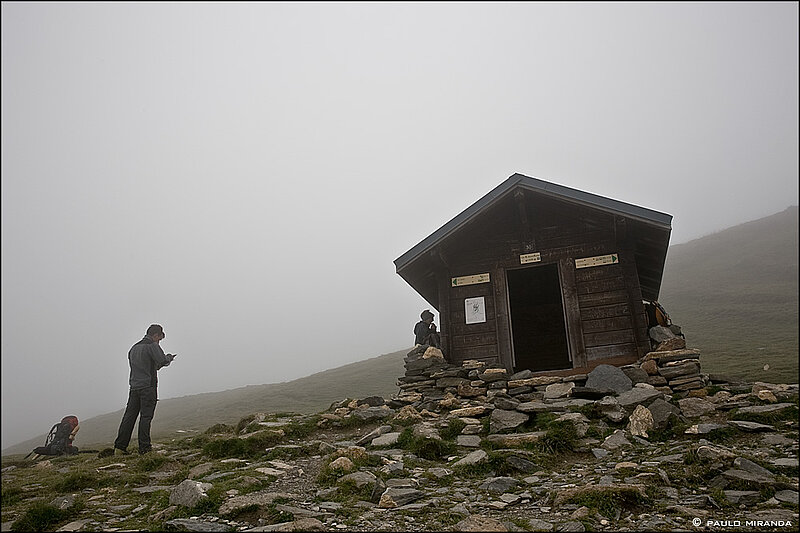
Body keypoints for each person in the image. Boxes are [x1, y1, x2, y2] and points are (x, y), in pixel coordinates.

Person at [114, 324, 177, 455]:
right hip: (148, 387)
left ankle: (119, 448)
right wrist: (169, 357)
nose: (159, 341)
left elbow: (145, 365)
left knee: (129, 417)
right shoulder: (152, 346)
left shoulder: (133, 348)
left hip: (134, 387)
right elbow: (161, 361)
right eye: (159, 338)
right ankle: (144, 448)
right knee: (146, 417)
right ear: (155, 335)